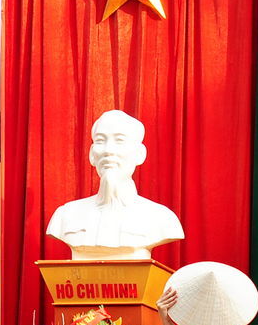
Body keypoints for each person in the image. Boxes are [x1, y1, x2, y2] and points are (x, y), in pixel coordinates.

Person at [45, 110, 184, 259]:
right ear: (91, 154)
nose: (108, 151)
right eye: (100, 141)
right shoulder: (66, 215)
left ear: (140, 154)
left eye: (119, 141)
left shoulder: (161, 218)